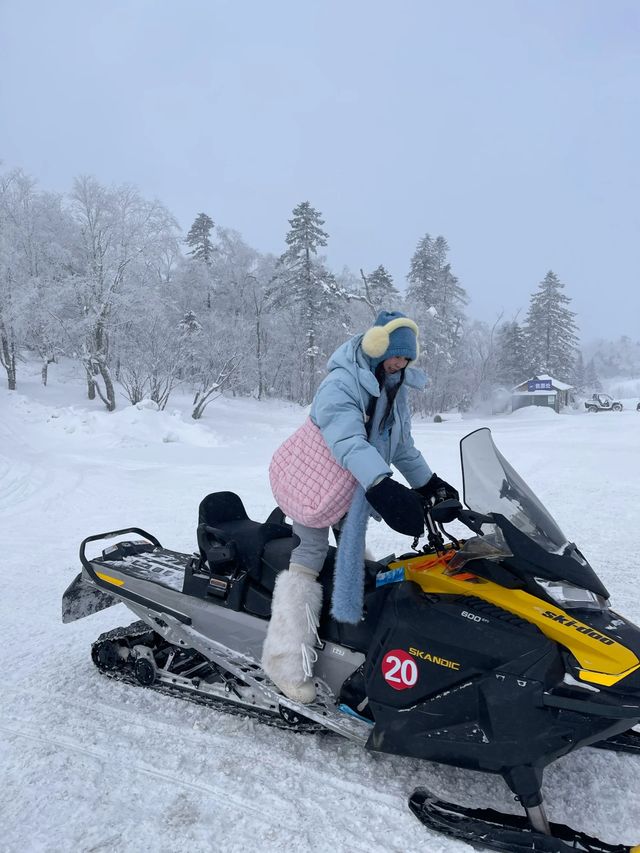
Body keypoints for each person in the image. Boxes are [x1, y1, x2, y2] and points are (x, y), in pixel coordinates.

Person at [262, 310, 458, 704]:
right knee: (309, 559)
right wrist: (382, 486)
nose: (400, 364)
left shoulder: (393, 387)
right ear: (377, 346)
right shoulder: (341, 383)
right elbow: (348, 441)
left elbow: (401, 446)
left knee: (358, 561)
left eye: (407, 358)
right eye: (395, 355)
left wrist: (429, 484)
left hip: (349, 487)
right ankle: (284, 662)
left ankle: (346, 640)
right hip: (313, 486)